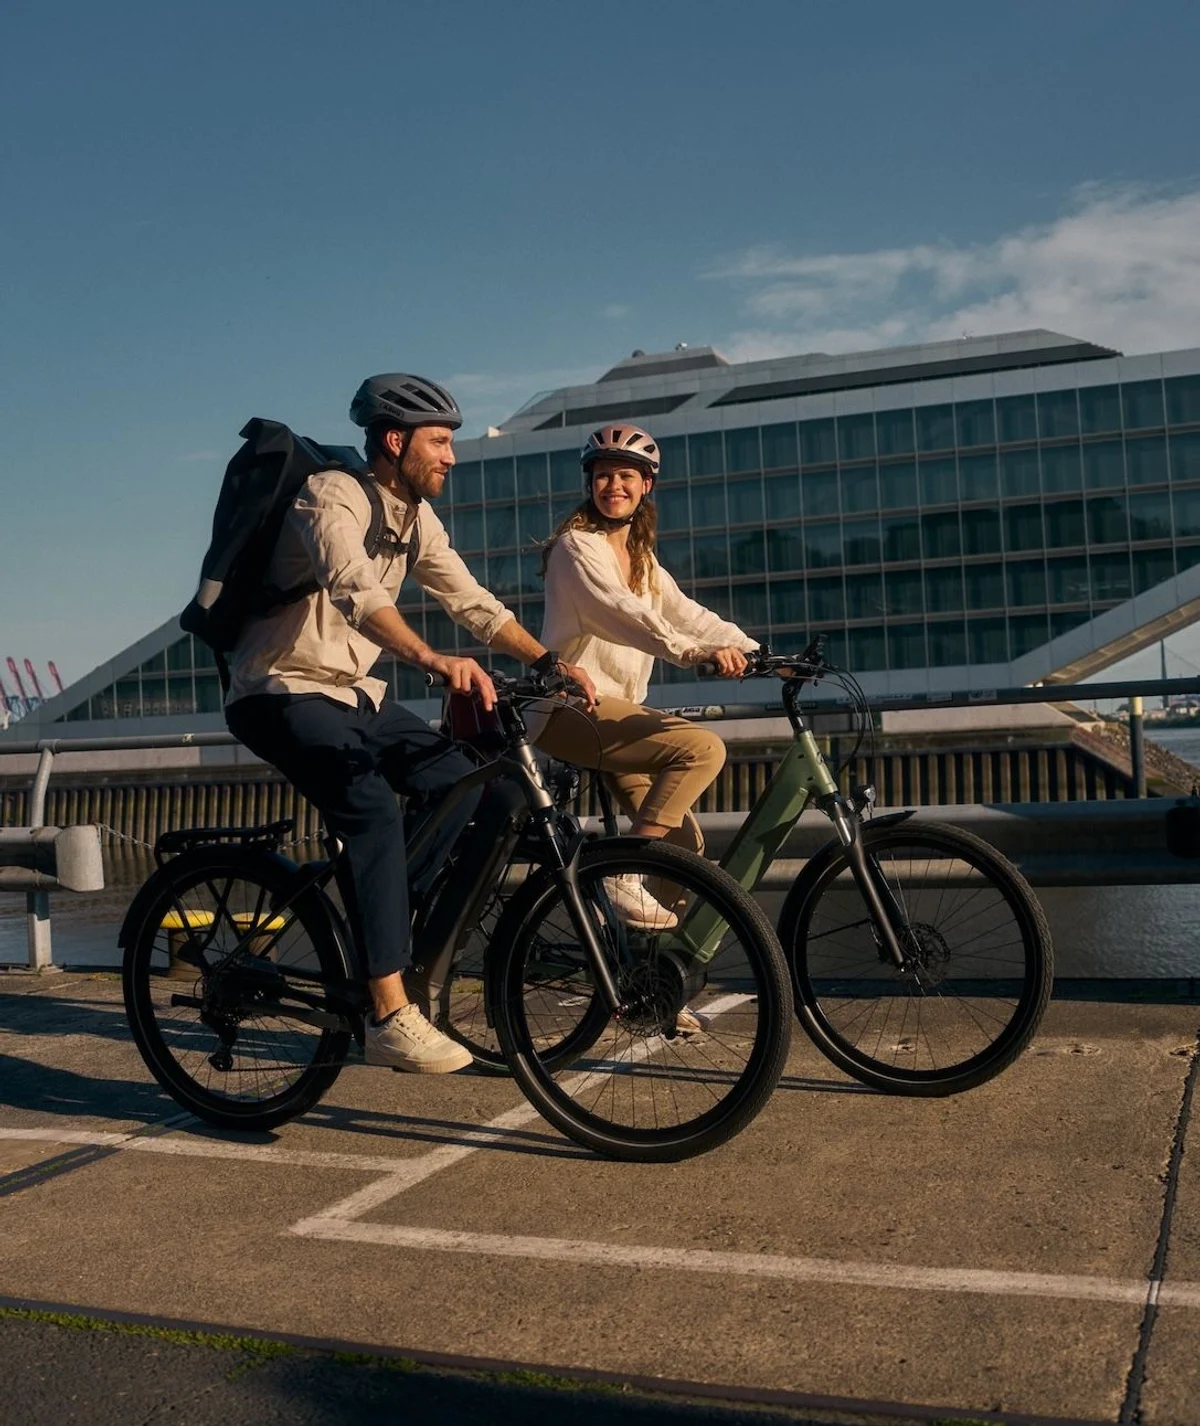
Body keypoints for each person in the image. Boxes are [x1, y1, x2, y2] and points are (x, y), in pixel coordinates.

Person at [224, 373, 596, 1074]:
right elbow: (355, 594)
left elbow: (472, 601)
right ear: (396, 441)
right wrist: (430, 659)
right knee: (368, 808)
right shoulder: (330, 495)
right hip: (280, 691)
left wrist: (549, 661)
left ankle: (393, 921)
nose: (451, 457)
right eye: (440, 441)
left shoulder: (415, 518)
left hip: (355, 694)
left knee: (477, 784)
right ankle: (389, 1013)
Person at [534, 422, 758, 933]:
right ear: (590, 484)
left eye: (626, 477)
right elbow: (626, 614)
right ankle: (623, 873)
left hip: (615, 713)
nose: (614, 486)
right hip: (569, 709)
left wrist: (759, 652)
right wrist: (698, 653)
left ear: (646, 485)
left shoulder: (640, 558)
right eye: (604, 476)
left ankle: (653, 986)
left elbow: (687, 613)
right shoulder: (577, 548)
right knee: (702, 749)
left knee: (683, 850)